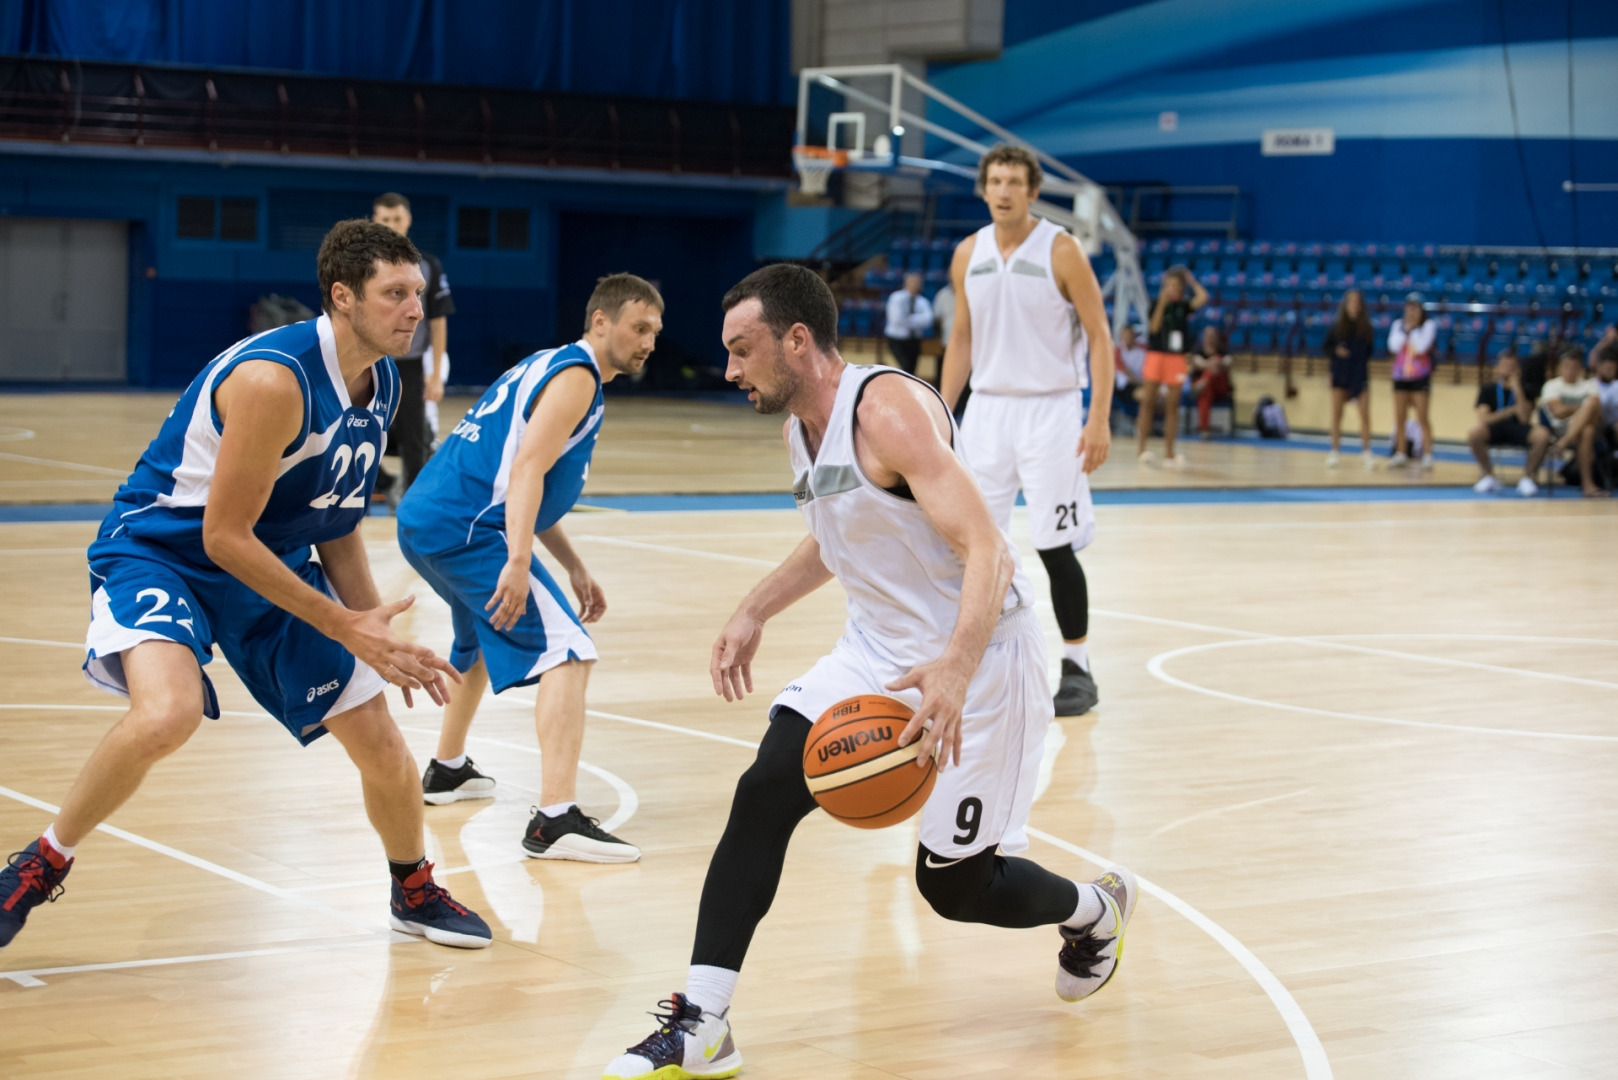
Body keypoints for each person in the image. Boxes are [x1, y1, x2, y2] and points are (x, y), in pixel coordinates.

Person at [603, 264, 1136, 1080]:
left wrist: (956, 670)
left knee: (955, 888)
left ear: (797, 339)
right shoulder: (800, 430)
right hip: (875, 651)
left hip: (981, 655)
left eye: (743, 351)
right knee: (765, 788)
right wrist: (756, 608)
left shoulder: (889, 413)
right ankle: (703, 1022)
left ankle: (1094, 909)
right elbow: (838, 535)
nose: (731, 370)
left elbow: (988, 548)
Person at [0, 220, 490, 950]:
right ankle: (38, 865)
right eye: (395, 294)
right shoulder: (273, 381)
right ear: (342, 298)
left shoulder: (380, 380)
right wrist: (339, 622)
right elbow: (221, 536)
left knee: (383, 743)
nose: (415, 309)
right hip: (166, 552)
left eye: (418, 292)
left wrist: (373, 631)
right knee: (168, 713)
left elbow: (334, 522)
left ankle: (412, 889)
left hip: (272, 558)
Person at [395, 274, 662, 861]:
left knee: (479, 640)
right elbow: (525, 472)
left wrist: (573, 565)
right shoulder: (576, 379)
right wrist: (518, 560)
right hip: (468, 527)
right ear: (600, 321)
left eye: (655, 332)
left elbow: (527, 482)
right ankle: (555, 818)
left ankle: (447, 770)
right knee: (568, 650)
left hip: (430, 518)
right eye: (639, 327)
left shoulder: (552, 365)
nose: (648, 342)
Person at [938, 144, 1115, 717]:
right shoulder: (968, 253)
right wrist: (942, 412)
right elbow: (961, 339)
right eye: (995, 181)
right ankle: (977, 659)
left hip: (1052, 412)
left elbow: (1100, 336)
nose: (1005, 190)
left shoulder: (1061, 249)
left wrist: (1098, 416)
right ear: (984, 189)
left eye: (1015, 181)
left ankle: (1078, 667)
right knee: (970, 546)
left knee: (1054, 544)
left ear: (1033, 191)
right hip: (987, 413)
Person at [372, 192, 454, 494]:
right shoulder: (360, 264)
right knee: (354, 425)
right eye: (385, 219)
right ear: (375, 221)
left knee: (414, 435)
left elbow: (438, 321)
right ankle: (374, 485)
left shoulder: (427, 265)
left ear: (408, 220)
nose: (391, 225)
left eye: (397, 219)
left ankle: (415, 497)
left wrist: (434, 376)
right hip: (369, 360)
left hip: (410, 363)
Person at [1137, 266, 1207, 466]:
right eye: (1168, 285)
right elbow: (1154, 327)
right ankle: (1141, 449)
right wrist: (1162, 302)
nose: (1172, 288)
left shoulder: (1183, 306)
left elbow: (1203, 297)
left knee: (1173, 406)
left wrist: (1192, 281)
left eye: (1176, 285)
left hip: (1176, 359)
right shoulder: (1155, 305)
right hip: (1156, 356)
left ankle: (1169, 453)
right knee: (1148, 401)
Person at [1524, 348, 1606, 497]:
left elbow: (1596, 411)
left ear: (1580, 369)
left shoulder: (1590, 385)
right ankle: (1588, 485)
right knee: (1587, 425)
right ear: (1560, 367)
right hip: (1559, 428)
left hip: (1578, 433)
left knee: (1588, 429)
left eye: (1575, 367)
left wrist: (1578, 410)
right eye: (1567, 366)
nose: (1571, 370)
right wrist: (1583, 409)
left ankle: (1563, 443)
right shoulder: (1552, 386)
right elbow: (1558, 412)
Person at [1466, 350, 1535, 494]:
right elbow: (1485, 418)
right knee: (1474, 433)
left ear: (1518, 370)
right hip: (1495, 429)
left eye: (1512, 366)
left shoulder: (1526, 390)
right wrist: (1509, 412)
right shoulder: (1488, 389)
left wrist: (1517, 389)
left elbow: (1524, 418)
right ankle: (1489, 475)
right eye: (1504, 365)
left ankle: (1527, 478)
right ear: (1497, 368)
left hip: (1518, 428)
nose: (1507, 370)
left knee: (1542, 435)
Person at [1323, 288, 1374, 468]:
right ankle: (1334, 451)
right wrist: (1337, 352)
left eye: (1357, 302)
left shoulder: (1366, 328)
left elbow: (1369, 352)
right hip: (1340, 373)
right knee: (1337, 414)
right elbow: (1326, 348)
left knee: (1365, 415)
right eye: (1351, 302)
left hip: (1359, 374)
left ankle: (1366, 451)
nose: (1354, 306)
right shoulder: (1336, 327)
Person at [1387, 293, 1436, 470]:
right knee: (1400, 416)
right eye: (1409, 307)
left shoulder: (1428, 326)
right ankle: (1401, 452)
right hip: (1401, 376)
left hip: (1419, 376)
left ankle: (1428, 454)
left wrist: (1413, 329)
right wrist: (1406, 329)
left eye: (1416, 308)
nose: (1412, 311)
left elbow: (1421, 347)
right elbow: (1393, 346)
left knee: (1422, 416)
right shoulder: (1398, 325)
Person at [884, 270, 934, 380]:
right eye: (912, 281)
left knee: (912, 370)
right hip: (896, 339)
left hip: (914, 340)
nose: (915, 285)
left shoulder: (922, 301)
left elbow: (928, 320)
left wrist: (908, 320)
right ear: (906, 283)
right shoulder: (896, 298)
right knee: (904, 367)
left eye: (917, 282)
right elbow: (897, 319)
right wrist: (917, 320)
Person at [1188, 324, 1233, 438]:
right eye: (1208, 335)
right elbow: (1199, 363)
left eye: (1213, 335)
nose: (1210, 338)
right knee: (1206, 392)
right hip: (1206, 389)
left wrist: (1215, 363)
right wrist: (1215, 364)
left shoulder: (1223, 352)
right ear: (1203, 337)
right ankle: (1204, 429)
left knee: (1216, 361)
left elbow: (1228, 362)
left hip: (1219, 386)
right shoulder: (1197, 351)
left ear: (1217, 337)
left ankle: (1204, 381)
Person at [1113, 324, 1146, 428]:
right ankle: (1141, 426)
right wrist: (1145, 384)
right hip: (1124, 386)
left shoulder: (1142, 349)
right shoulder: (1118, 352)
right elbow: (1128, 374)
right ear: (1121, 337)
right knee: (1146, 396)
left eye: (1130, 335)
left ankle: (1144, 424)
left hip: (1140, 383)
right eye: (1125, 335)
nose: (1127, 338)